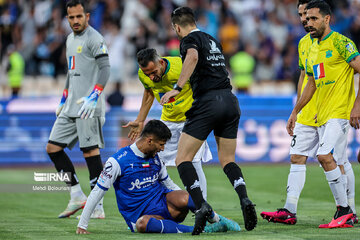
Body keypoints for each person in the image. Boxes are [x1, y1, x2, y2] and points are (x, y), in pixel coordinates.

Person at [160, 6, 257, 235]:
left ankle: (201, 205)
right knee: (228, 160)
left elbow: (192, 56)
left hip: (208, 102)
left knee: (183, 158)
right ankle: (244, 198)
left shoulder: (189, 40)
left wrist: (177, 88)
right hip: (230, 100)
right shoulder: (212, 39)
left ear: (177, 27)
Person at [261, 0, 357, 226]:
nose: (305, 20)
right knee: (298, 157)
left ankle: (348, 209)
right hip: (313, 109)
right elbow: (310, 80)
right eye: (303, 16)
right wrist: (296, 110)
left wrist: (357, 106)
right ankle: (290, 210)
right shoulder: (308, 45)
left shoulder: (342, 43)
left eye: (310, 16)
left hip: (337, 110)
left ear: (325, 17)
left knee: (336, 159)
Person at [76, 120, 241, 234]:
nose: (162, 149)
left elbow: (168, 183)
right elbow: (97, 192)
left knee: (186, 195)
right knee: (142, 224)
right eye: (161, 144)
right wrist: (82, 225)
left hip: (164, 205)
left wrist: (188, 201)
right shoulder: (117, 161)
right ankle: (203, 230)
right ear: (149, 140)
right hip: (141, 215)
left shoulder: (155, 158)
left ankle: (218, 220)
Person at [45, 0, 110, 219]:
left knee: (90, 152)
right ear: (67, 18)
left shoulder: (95, 38)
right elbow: (71, 71)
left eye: (79, 16)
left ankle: (97, 205)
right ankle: (76, 195)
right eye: (71, 17)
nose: (75, 21)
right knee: (53, 148)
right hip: (71, 106)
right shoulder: (69, 39)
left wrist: (95, 95)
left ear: (87, 17)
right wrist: (63, 98)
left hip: (88, 107)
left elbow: (105, 69)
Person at [122, 48, 212, 200]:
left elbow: (203, 87)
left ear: (161, 62)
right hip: (168, 120)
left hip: (191, 120)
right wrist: (140, 120)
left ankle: (201, 206)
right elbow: (149, 93)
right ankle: (173, 197)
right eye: (147, 74)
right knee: (155, 160)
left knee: (193, 162)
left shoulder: (181, 66)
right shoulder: (143, 74)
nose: (151, 77)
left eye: (153, 72)